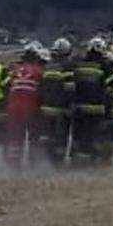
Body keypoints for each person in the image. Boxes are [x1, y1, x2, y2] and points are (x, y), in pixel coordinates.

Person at [70, 37, 113, 164]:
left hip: (79, 107)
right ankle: (93, 159)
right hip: (97, 109)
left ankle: (76, 158)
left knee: (78, 134)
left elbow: (69, 82)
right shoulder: (104, 66)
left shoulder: (78, 64)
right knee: (94, 134)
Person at [4, 42, 46, 169]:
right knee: (34, 136)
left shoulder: (16, 71)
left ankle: (14, 166)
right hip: (30, 108)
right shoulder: (39, 71)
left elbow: (6, 85)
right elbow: (43, 91)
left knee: (15, 138)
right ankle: (34, 163)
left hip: (13, 108)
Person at [38, 37, 76, 166]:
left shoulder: (48, 66)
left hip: (46, 109)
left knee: (49, 135)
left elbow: (41, 87)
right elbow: (69, 87)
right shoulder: (67, 66)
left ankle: (47, 159)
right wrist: (72, 105)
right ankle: (57, 162)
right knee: (61, 136)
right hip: (61, 109)